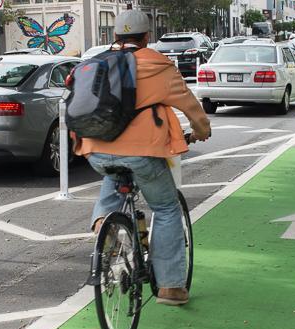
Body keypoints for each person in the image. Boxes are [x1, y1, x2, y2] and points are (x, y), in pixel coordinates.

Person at [74, 10, 211, 306]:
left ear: (114, 37)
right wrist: (202, 130)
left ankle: (104, 227)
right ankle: (171, 287)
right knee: (165, 208)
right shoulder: (157, 64)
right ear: (147, 37)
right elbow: (188, 104)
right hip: (142, 152)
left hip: (96, 149)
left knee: (112, 174)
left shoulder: (95, 63)